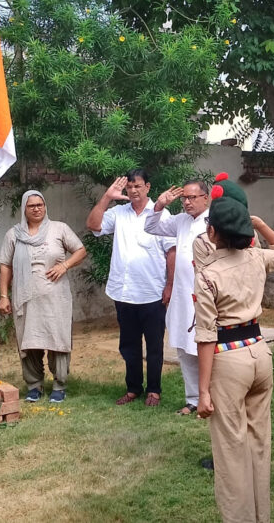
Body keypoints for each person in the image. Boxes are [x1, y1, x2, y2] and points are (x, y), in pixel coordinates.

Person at [194, 180, 274, 522]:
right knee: (258, 444)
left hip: (228, 359)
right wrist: (261, 223)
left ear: (213, 232)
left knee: (230, 452)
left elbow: (206, 335)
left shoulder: (208, 274)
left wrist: (203, 391)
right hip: (258, 352)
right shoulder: (255, 257)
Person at [86, 170, 175, 406]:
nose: (133, 191)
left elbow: (171, 251)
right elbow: (93, 224)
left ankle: (154, 390)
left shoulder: (161, 214)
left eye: (138, 186)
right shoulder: (118, 213)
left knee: (154, 344)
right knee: (129, 344)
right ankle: (133, 388)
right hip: (124, 292)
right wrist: (107, 197)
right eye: (129, 187)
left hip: (152, 292)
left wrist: (169, 285)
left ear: (147, 186)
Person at [0, 190, 87, 403]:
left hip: (55, 298)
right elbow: (5, 265)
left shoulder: (59, 229)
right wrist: (4, 296)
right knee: (29, 342)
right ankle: (34, 385)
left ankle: (59, 385)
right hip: (25, 298)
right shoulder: (14, 234)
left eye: (40, 204)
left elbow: (80, 250)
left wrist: (64, 265)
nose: (37, 208)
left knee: (57, 339)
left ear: (45, 206)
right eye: (32, 206)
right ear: (24, 209)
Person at [144, 178, 210, 415]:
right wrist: (160, 205)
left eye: (193, 197)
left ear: (206, 197)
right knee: (184, 346)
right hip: (182, 296)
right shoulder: (180, 221)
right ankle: (193, 399)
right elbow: (151, 227)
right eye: (184, 198)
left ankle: (211, 396)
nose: (187, 202)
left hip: (206, 296)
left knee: (204, 347)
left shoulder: (215, 221)